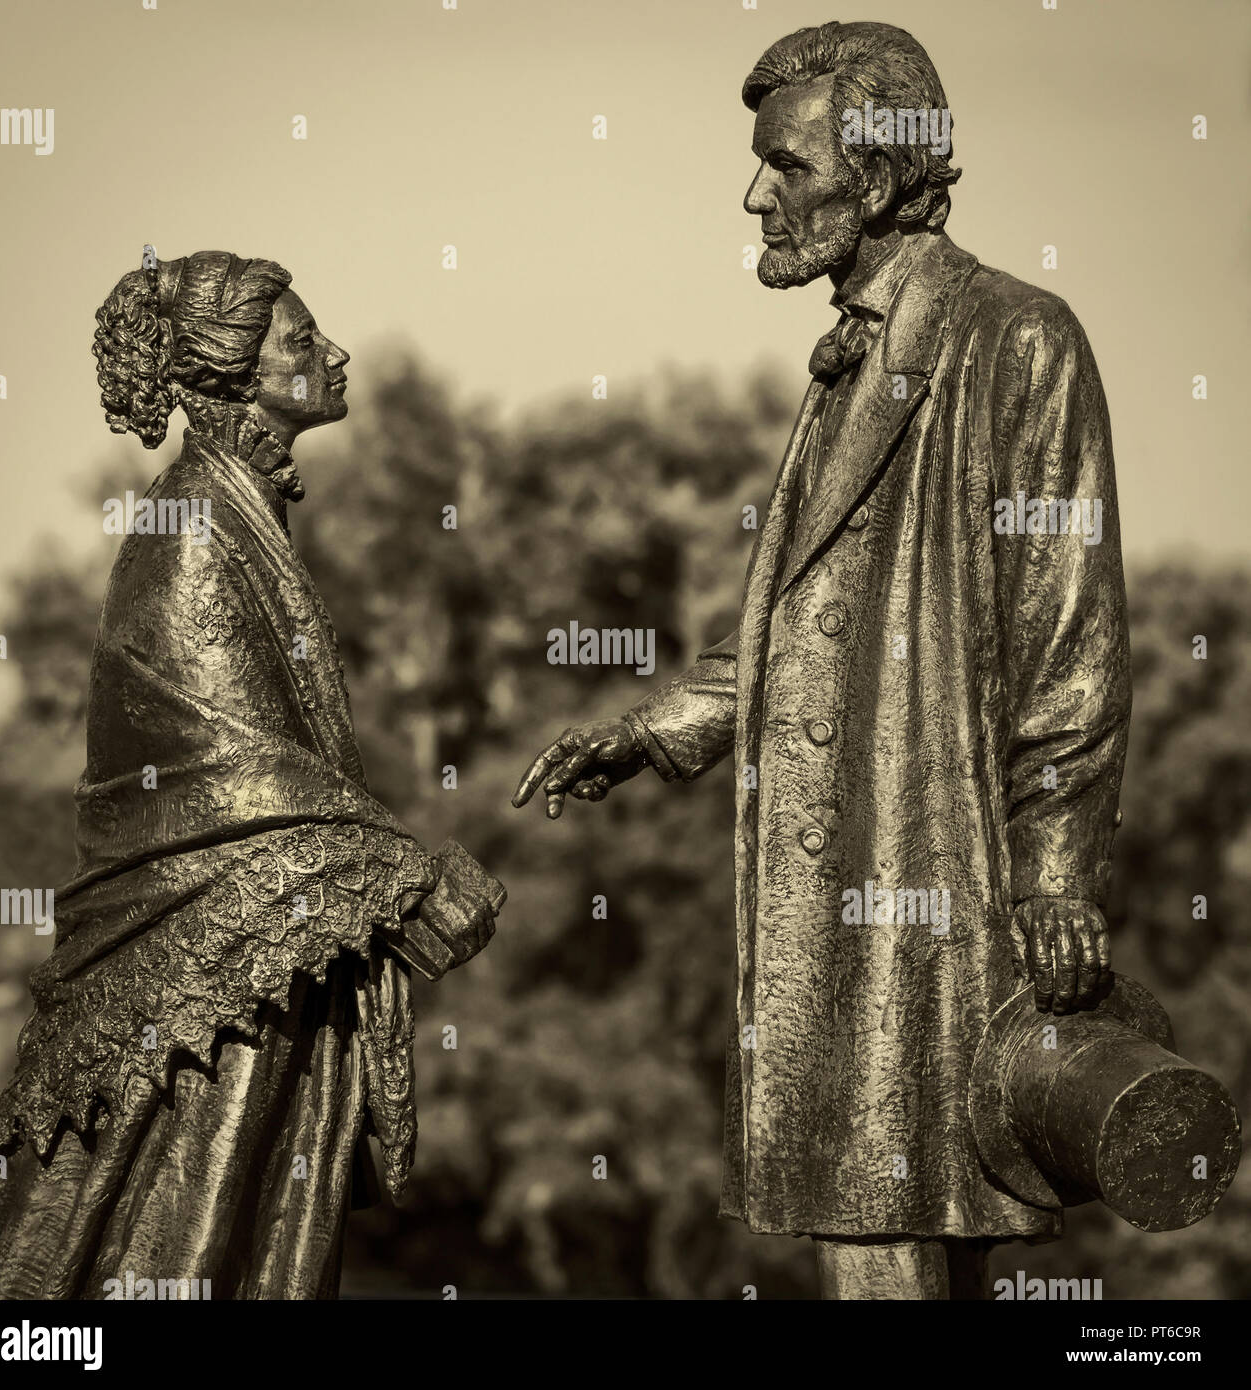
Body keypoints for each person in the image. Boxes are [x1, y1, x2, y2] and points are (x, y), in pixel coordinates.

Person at [513, 22, 1129, 1299]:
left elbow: (1068, 630)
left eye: (787, 166)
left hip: (932, 869)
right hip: (836, 877)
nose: (756, 196)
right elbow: (791, 614)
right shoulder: (844, 358)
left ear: (889, 175)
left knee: (909, 1200)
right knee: (865, 1211)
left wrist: (1059, 870)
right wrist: (647, 730)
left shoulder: (1017, 339)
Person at [0, 250, 503, 1299]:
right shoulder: (189, 530)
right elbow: (231, 784)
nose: (333, 355)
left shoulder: (241, 515)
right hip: (210, 985)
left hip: (263, 962)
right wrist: (406, 883)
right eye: (301, 342)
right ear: (233, 375)